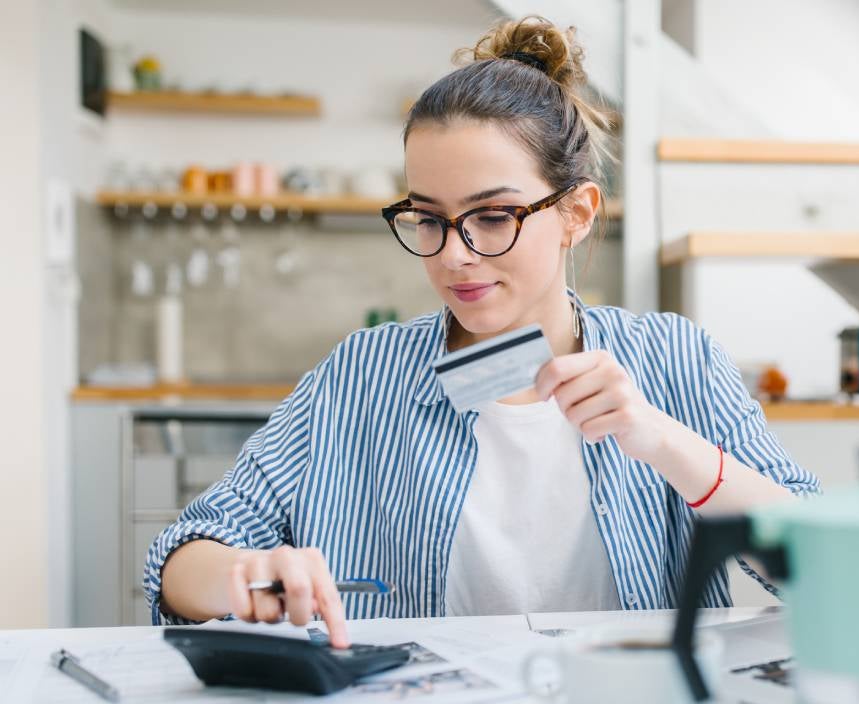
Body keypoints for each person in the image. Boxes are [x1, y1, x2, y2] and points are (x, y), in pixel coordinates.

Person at [144, 16, 818, 648]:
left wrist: (664, 441)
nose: (453, 255)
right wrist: (243, 575)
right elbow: (184, 554)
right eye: (428, 219)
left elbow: (829, 570)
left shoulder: (677, 360)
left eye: (493, 216)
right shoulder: (363, 374)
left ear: (577, 212)